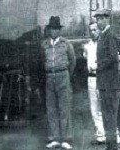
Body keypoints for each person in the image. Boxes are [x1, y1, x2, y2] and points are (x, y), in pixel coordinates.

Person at [94, 9, 120, 150]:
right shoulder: (102, 36)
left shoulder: (110, 35)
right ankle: (110, 145)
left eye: (101, 19)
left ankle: (112, 146)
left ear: (107, 19)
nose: (98, 22)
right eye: (97, 19)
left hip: (110, 82)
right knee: (107, 116)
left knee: (110, 116)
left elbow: (113, 58)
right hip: (104, 82)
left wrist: (98, 66)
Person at [42, 16, 75, 150]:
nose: (54, 31)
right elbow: (41, 62)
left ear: (59, 30)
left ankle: (66, 139)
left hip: (63, 75)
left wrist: (66, 75)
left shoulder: (66, 44)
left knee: (64, 108)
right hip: (49, 77)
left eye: (56, 29)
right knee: (51, 108)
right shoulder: (44, 45)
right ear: (49, 30)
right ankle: (54, 138)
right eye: (52, 29)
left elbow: (73, 62)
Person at [83, 20, 105, 144]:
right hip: (91, 79)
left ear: (99, 30)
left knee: (104, 107)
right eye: (90, 30)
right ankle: (100, 135)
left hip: (102, 78)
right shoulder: (88, 46)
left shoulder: (105, 44)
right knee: (94, 108)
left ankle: (112, 135)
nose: (93, 32)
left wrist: (96, 66)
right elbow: (86, 57)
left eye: (95, 29)